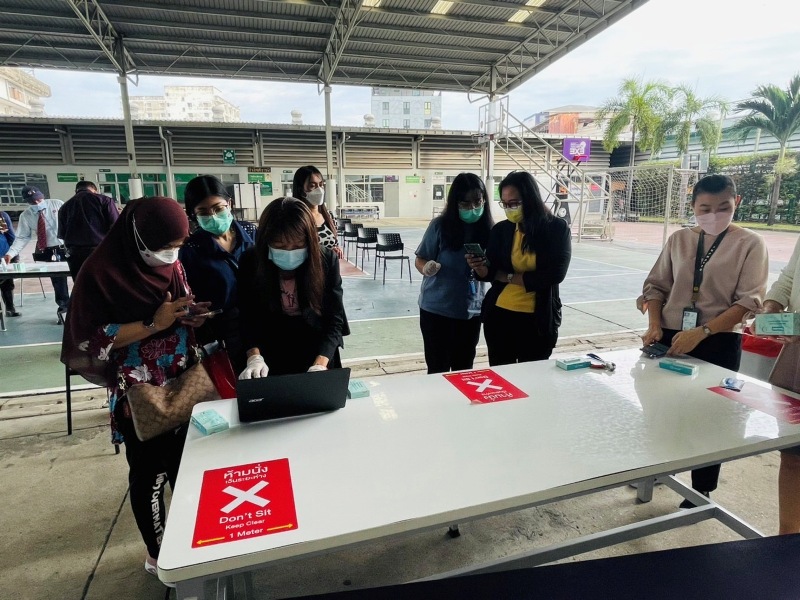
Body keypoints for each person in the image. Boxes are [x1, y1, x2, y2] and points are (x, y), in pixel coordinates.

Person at [61, 197, 209, 585]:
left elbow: (176, 305)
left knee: (188, 468)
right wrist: (153, 324)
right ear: (137, 237)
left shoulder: (171, 263)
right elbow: (88, 341)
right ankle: (157, 552)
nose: (171, 254)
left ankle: (193, 540)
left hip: (184, 381)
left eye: (177, 246)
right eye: (164, 247)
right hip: (140, 391)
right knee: (150, 476)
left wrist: (189, 315)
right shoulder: (100, 273)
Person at [639, 173, 768, 508]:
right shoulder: (680, 239)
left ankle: (701, 488)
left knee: (710, 415)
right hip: (672, 336)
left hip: (718, 339)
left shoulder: (750, 244)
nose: (713, 215)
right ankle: (659, 467)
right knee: (662, 407)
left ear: (736, 203)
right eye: (705, 209)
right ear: (693, 206)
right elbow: (656, 286)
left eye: (723, 207)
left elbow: (748, 301)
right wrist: (655, 324)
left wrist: (704, 331)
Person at [237, 197, 348, 378]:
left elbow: (335, 319)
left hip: (317, 346)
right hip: (270, 346)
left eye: (298, 245)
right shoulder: (251, 261)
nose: (289, 252)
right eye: (279, 245)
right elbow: (247, 315)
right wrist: (254, 357)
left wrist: (320, 364)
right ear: (266, 240)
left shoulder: (325, 259)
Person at [471, 170, 571, 365]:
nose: (509, 209)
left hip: (537, 320)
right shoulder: (501, 230)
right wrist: (481, 269)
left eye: (514, 203)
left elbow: (554, 274)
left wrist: (507, 277)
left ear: (530, 199)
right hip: (499, 316)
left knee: (532, 378)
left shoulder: (556, 229)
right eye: (505, 204)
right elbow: (491, 272)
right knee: (501, 377)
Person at [414, 173, 494, 373]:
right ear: (455, 203)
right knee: (437, 369)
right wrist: (426, 267)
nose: (472, 207)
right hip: (436, 311)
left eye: (477, 201)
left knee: (464, 370)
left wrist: (482, 268)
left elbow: (494, 271)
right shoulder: (440, 226)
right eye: (465, 203)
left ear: (484, 200)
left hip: (471, 311)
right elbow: (420, 259)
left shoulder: (490, 230)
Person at [179, 175, 256, 372]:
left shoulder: (251, 233)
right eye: (203, 212)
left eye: (218, 208)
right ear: (193, 214)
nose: (212, 216)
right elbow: (189, 297)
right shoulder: (191, 250)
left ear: (229, 204)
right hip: (223, 335)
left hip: (261, 325)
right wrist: (195, 313)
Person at [760, 236, 800, 534]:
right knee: (793, 455)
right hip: (796, 357)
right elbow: (790, 276)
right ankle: (787, 541)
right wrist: (772, 305)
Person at [3, 185, 69, 323]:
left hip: (68, 247)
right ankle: (65, 310)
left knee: (80, 277)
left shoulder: (57, 204)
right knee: (58, 281)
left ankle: (81, 308)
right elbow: (22, 237)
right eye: (33, 202)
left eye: (38, 199)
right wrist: (10, 253)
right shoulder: (26, 216)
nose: (37, 203)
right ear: (27, 201)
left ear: (42, 196)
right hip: (49, 251)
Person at [57, 180, 120, 279]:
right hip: (100, 252)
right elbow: (116, 226)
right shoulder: (105, 200)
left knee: (81, 284)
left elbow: (62, 234)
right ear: (95, 190)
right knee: (103, 284)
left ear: (76, 191)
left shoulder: (64, 207)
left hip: (75, 255)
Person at [292, 165, 344, 259]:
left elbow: (334, 244)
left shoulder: (329, 216)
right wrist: (325, 252)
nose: (319, 189)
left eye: (321, 185)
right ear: (301, 190)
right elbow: (295, 250)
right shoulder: (296, 218)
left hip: (328, 267)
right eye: (312, 186)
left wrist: (336, 250)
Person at [0, 211, 20, 317]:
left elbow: (11, 236)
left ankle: (10, 308)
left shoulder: (2, 215)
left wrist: (14, 255)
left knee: (7, 283)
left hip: (3, 256)